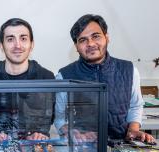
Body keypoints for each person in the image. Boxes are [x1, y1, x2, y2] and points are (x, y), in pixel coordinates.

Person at [55, 14, 156, 144]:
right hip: (83, 148)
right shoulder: (64, 75)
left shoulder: (129, 70)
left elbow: (135, 105)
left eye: (96, 36)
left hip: (122, 145)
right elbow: (59, 118)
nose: (90, 43)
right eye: (83, 40)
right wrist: (69, 131)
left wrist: (133, 130)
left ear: (107, 38)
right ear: (76, 46)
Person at [0, 18, 54, 142]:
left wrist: (40, 133)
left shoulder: (46, 77)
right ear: (1, 46)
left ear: (32, 44)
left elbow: (49, 115)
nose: (17, 45)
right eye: (10, 39)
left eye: (23, 38)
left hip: (34, 144)